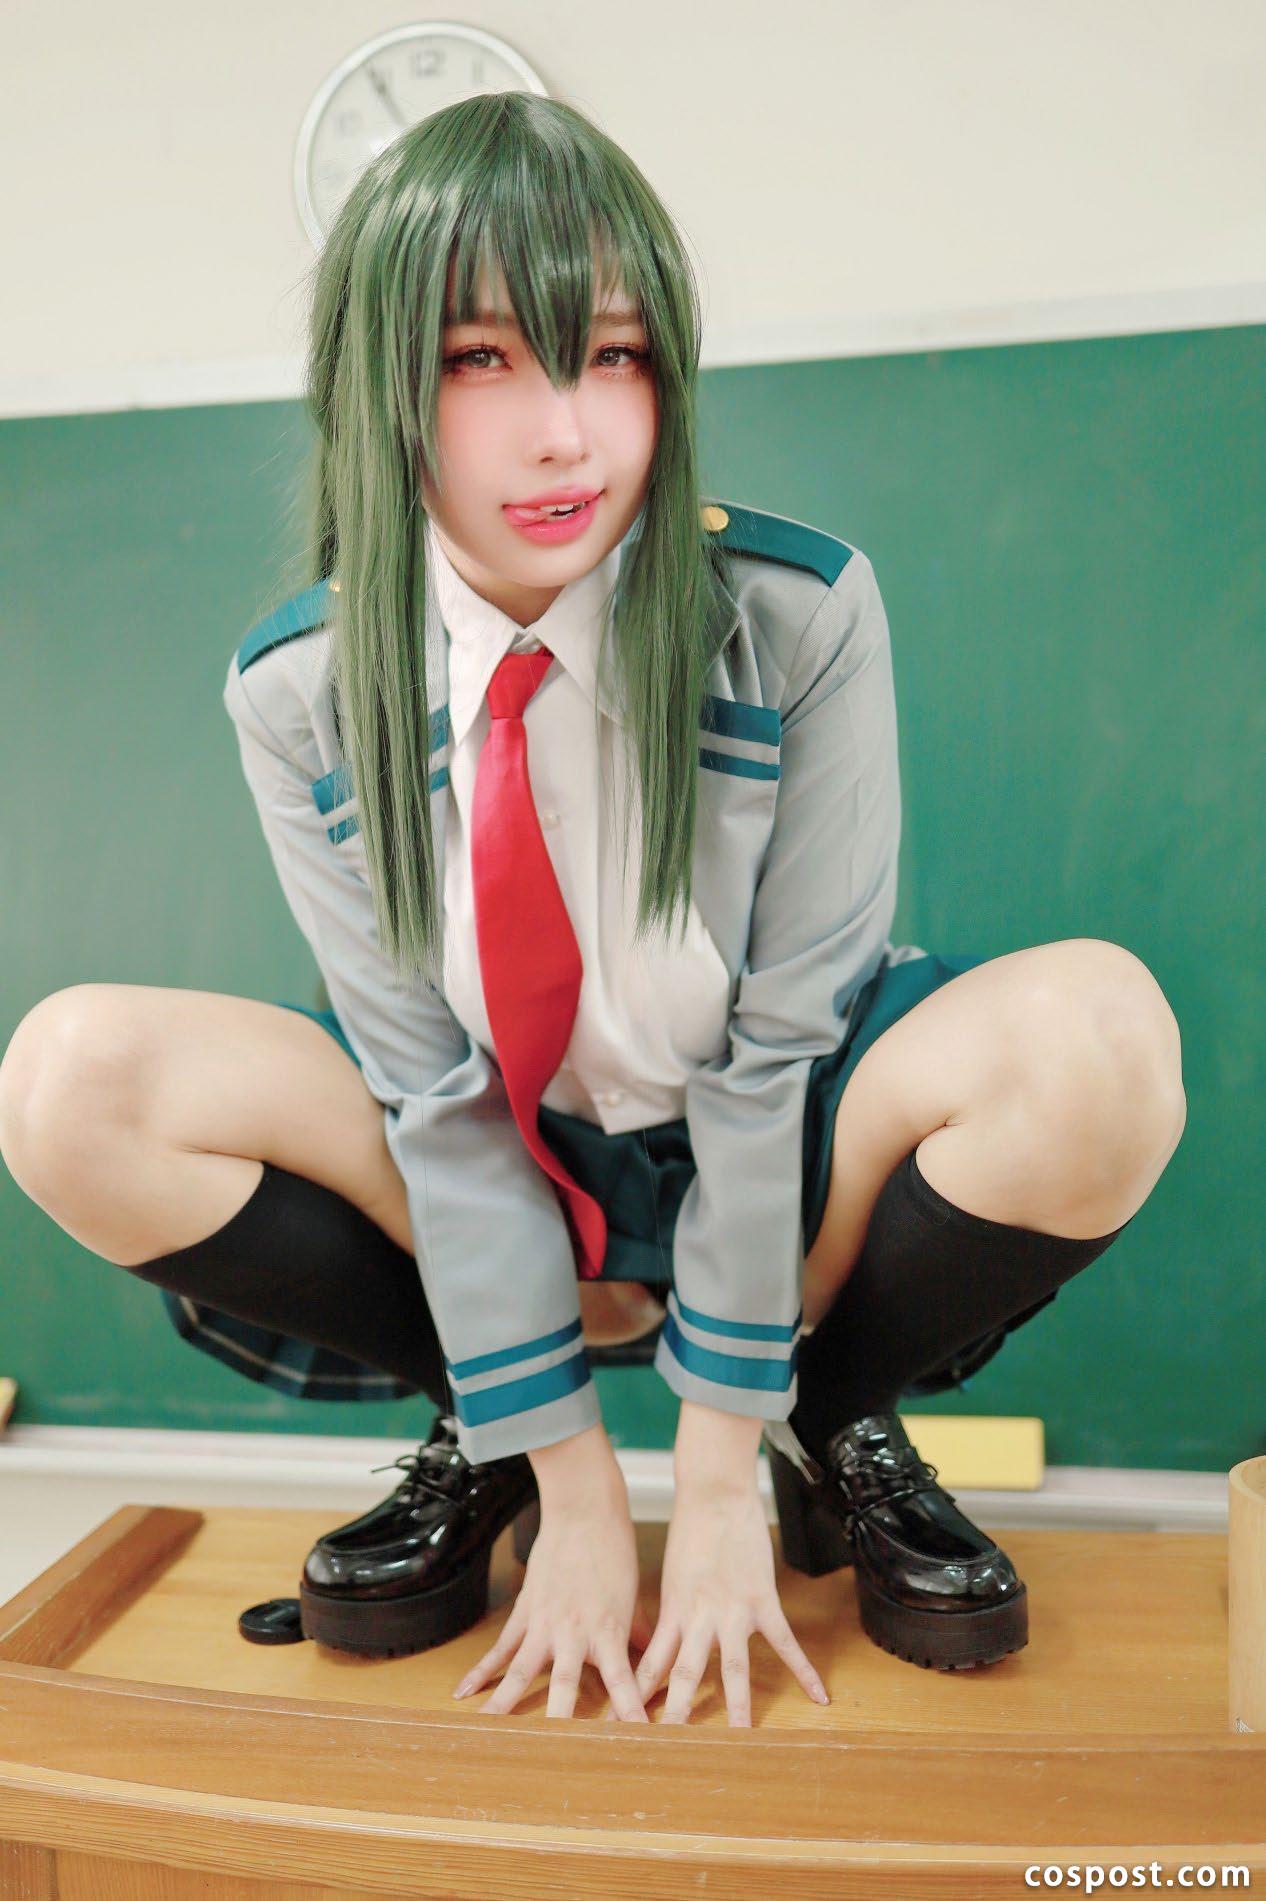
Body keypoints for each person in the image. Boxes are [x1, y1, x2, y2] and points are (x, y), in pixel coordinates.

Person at [0, 92, 1186, 1728]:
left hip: (789, 1127)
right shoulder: (297, 688)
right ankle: (495, 1419)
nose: (564, 435)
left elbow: (783, 1043)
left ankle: (819, 1418)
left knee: (1097, 1037)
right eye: (480, 358)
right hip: (494, 1140)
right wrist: (572, 1483)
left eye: (611, 355)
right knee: (68, 1079)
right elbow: (425, 1086)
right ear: (376, 381)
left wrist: (702, 1479)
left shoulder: (794, 609)